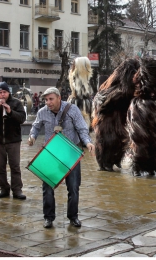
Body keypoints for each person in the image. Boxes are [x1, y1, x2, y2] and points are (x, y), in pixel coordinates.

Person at [28, 87, 95, 228]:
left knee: (73, 187)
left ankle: (73, 217)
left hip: (71, 152)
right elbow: (35, 127)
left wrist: (88, 142)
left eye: (51, 99)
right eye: (46, 100)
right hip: (51, 153)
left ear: (59, 98)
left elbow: (82, 128)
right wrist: (32, 137)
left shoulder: (73, 110)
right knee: (47, 187)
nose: (48, 102)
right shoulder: (42, 112)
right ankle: (48, 217)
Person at [0, 81, 27, 200]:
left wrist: (10, 112)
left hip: (13, 140)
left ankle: (17, 190)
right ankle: (4, 189)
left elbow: (22, 118)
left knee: (15, 166)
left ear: (9, 92)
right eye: (0, 92)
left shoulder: (16, 103)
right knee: (0, 166)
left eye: (4, 92)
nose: (2, 95)